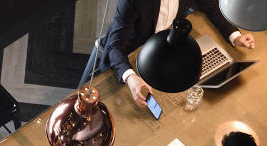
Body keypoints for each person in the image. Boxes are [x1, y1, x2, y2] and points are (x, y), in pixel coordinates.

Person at [80, 0, 256, 108]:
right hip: (127, 57)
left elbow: (211, 5)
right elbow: (115, 46)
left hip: (163, 52)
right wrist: (130, 76)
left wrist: (235, 36)